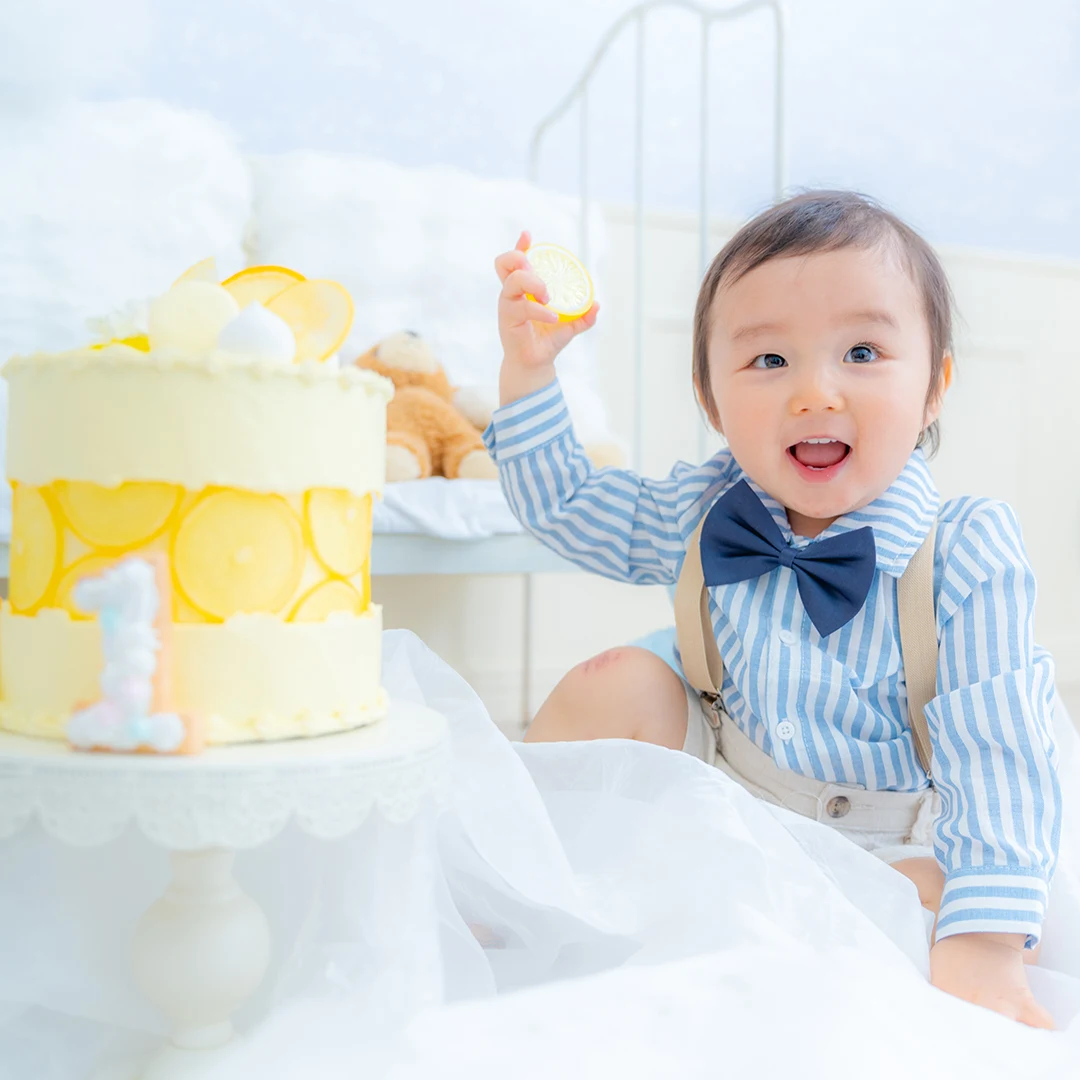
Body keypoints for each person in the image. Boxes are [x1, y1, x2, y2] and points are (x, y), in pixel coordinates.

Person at [486, 190, 1061, 1028]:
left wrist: (986, 943)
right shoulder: (707, 508)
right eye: (769, 360)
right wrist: (530, 373)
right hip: (728, 793)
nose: (814, 393)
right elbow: (567, 505)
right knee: (616, 679)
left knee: (940, 902)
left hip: (886, 834)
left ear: (934, 387)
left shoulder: (966, 548)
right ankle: (512, 885)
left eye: (861, 352)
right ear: (711, 400)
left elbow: (998, 749)